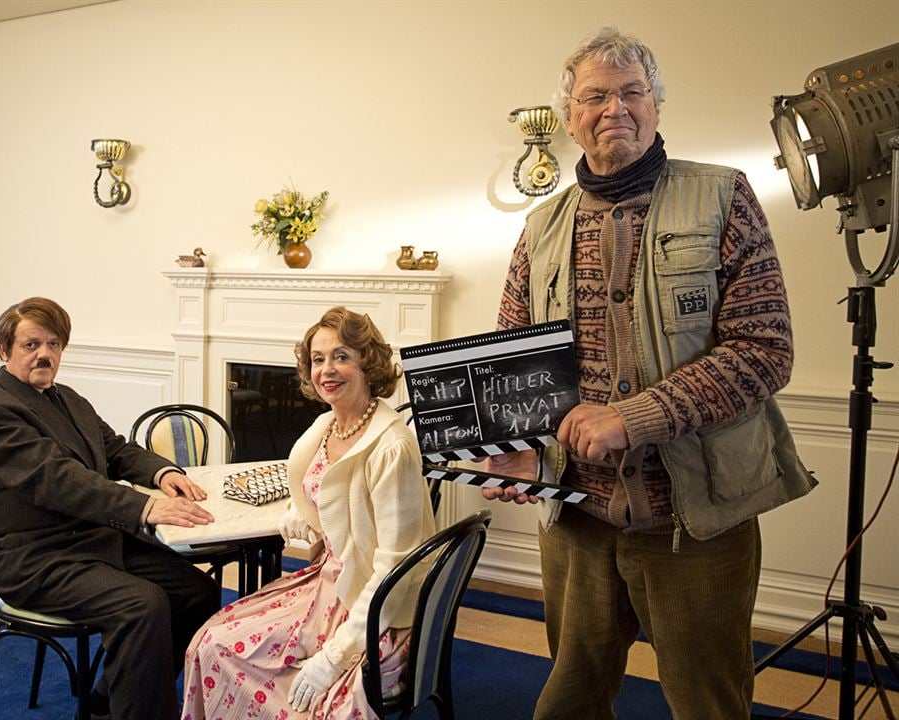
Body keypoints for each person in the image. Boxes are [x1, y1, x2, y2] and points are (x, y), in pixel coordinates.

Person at [484, 27, 816, 720]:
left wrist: (633, 417)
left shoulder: (723, 195)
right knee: (569, 702)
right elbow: (514, 352)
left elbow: (765, 348)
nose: (615, 109)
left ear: (657, 105)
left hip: (695, 524)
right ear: (571, 117)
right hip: (576, 521)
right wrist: (510, 442)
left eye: (632, 92)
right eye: (595, 96)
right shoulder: (542, 226)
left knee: (709, 705)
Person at [0, 297, 222, 720]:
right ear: (4, 351)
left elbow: (114, 448)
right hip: (35, 560)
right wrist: (145, 508)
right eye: (31, 345)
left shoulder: (65, 397)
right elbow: (60, 480)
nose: (44, 354)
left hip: (90, 541)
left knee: (197, 592)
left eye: (53, 344)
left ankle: (106, 698)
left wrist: (161, 474)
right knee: (143, 605)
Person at [182, 306, 437, 720]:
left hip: (373, 613)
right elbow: (328, 489)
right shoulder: (326, 426)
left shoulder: (392, 446)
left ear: (367, 363)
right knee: (208, 641)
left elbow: (396, 569)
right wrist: (302, 511)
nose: (327, 370)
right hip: (327, 584)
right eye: (318, 360)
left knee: (306, 697)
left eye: (341, 356)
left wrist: (334, 658)